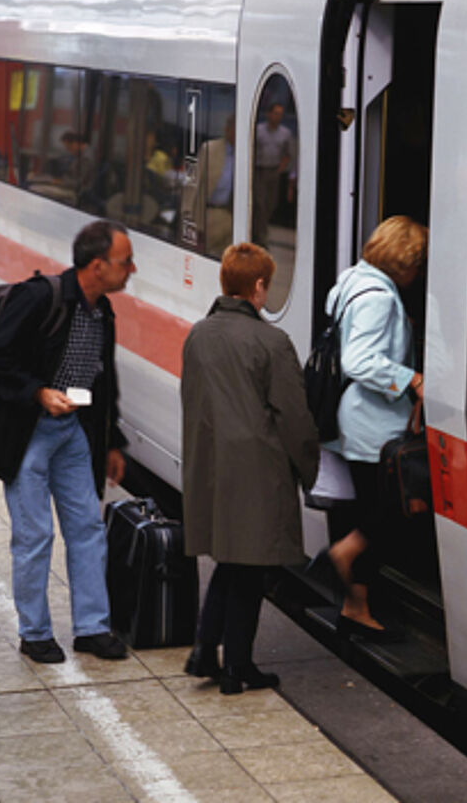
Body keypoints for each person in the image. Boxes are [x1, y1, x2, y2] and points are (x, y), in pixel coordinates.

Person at [0, 220, 135, 664]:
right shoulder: (41, 297)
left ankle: (92, 627)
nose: (132, 270)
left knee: (87, 528)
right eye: (125, 261)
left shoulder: (103, 310)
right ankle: (35, 632)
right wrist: (38, 392)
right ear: (98, 266)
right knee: (34, 534)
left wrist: (112, 439)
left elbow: (105, 377)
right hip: (30, 433)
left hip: (74, 432)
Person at [181, 242, 319, 694]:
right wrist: (310, 469)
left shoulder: (198, 334)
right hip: (259, 471)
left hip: (213, 466)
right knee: (251, 569)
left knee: (232, 560)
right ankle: (238, 668)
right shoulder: (272, 342)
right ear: (259, 287)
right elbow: (295, 419)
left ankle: (205, 651)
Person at [321, 216, 428, 640]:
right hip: (371, 420)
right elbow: (360, 359)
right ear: (405, 263)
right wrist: (412, 379)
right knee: (389, 511)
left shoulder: (353, 279)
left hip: (353, 414)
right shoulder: (380, 298)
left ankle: (356, 606)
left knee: (366, 507)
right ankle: (347, 557)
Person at [180, 115, 235, 257]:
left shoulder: (244, 154)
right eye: (234, 128)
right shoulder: (210, 149)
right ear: (227, 129)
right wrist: (187, 213)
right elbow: (193, 182)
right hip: (206, 214)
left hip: (228, 216)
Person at [252, 103, 294, 248]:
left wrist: (280, 169)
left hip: (274, 171)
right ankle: (261, 238)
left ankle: (257, 230)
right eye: (275, 113)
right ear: (269, 114)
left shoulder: (285, 133)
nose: (278, 117)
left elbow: (288, 154)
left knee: (271, 204)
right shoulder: (258, 130)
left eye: (280, 114)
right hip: (259, 170)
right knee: (260, 204)